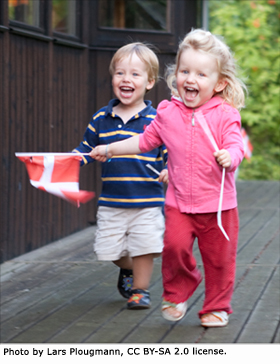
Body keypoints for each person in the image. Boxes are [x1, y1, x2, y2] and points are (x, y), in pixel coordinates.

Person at [90, 29, 247, 327]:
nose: (190, 79)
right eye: (185, 71)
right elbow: (143, 141)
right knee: (173, 248)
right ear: (175, 75)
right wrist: (110, 148)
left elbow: (235, 144)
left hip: (218, 206)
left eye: (202, 74)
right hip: (179, 203)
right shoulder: (167, 112)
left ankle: (216, 307)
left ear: (219, 83)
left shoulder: (225, 114)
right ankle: (177, 293)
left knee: (219, 261)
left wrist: (231, 156)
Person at [73, 42, 168, 310]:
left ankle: (141, 290)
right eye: (120, 73)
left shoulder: (157, 120)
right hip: (112, 202)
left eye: (135, 74)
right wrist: (71, 161)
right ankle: (128, 269)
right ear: (113, 77)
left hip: (148, 201)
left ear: (149, 82)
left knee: (143, 248)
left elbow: (170, 151)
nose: (126, 79)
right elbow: (86, 149)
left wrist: (169, 169)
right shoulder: (101, 118)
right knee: (108, 251)